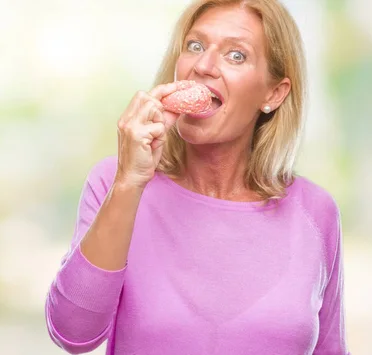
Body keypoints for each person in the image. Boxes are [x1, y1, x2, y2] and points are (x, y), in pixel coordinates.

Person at [44, 0, 350, 354]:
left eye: (236, 55)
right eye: (195, 46)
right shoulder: (115, 182)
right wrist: (129, 183)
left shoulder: (315, 211)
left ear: (273, 93)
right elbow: (73, 333)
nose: (203, 66)